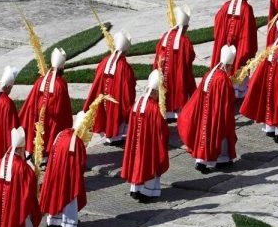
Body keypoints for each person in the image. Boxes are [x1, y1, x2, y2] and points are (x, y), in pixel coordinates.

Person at [241, 14, 278, 143]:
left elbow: (261, 69)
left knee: (270, 105)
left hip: (270, 85)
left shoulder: (270, 49)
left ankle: (270, 128)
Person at [178, 45, 238, 174]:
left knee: (203, 135)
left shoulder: (210, 74)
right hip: (216, 113)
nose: (231, 70)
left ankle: (201, 161)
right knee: (218, 135)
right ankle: (216, 161)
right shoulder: (222, 79)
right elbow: (228, 100)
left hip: (204, 112)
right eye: (231, 67)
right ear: (227, 66)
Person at [121, 70, 170, 201]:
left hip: (136, 144)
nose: (160, 95)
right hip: (148, 145)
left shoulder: (138, 103)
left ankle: (135, 189)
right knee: (148, 165)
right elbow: (161, 130)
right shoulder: (154, 109)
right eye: (159, 92)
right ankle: (146, 193)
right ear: (154, 92)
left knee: (136, 163)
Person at [19, 48, 73, 162]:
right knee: (51, 136)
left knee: (39, 135)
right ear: (62, 68)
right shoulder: (60, 84)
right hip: (53, 120)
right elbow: (63, 109)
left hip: (38, 116)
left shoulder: (40, 81)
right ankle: (47, 158)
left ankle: (37, 155)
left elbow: (31, 101)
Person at [39, 112, 89, 227]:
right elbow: (80, 163)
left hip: (54, 172)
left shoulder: (61, 134)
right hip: (68, 176)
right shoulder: (76, 141)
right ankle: (68, 225)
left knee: (55, 195)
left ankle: (54, 220)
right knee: (69, 199)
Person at [84, 31, 136, 144]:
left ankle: (109, 134)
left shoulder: (104, 61)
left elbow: (97, 80)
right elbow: (128, 88)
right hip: (116, 100)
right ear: (126, 50)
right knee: (116, 112)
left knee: (107, 111)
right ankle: (116, 136)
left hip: (103, 97)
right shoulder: (124, 67)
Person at [211, 0, 258, 98]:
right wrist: (250, 50)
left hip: (224, 44)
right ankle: (237, 91)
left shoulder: (226, 5)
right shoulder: (247, 9)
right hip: (240, 45)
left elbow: (217, 23)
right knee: (239, 62)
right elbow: (250, 32)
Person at [153, 5, 196, 120]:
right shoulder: (184, 41)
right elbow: (190, 57)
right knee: (178, 86)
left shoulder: (164, 37)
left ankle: (165, 111)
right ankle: (176, 111)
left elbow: (157, 53)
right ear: (185, 27)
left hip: (163, 73)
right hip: (177, 74)